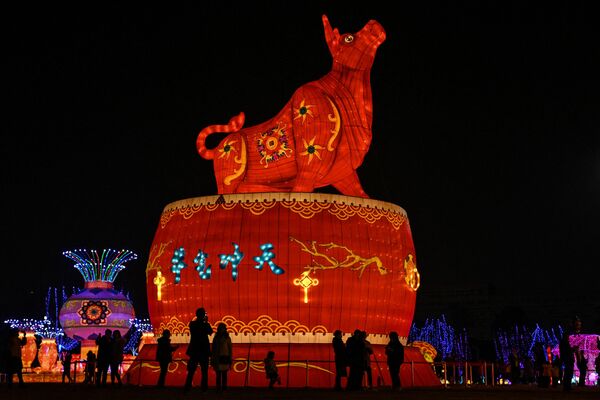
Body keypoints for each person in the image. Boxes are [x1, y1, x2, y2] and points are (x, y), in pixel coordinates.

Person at [184, 307, 213, 392]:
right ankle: (204, 388)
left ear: (196, 315)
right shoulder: (205, 324)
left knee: (191, 370)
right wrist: (206, 322)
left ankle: (187, 387)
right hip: (204, 350)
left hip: (194, 350)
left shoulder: (192, 324)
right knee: (204, 371)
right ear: (203, 315)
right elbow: (210, 332)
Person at [211, 322, 233, 392]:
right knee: (218, 374)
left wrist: (230, 357)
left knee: (224, 374)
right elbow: (213, 348)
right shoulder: (216, 338)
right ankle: (219, 388)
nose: (221, 330)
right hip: (218, 357)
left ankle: (224, 388)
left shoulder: (227, 338)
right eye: (220, 328)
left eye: (222, 328)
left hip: (225, 357)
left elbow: (230, 348)